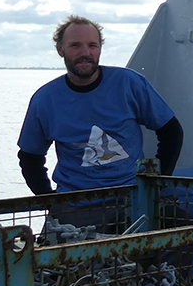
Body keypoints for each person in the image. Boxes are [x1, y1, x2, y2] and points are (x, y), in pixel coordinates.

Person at [18, 15, 183, 229]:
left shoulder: (129, 83)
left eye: (92, 45)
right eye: (75, 45)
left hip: (134, 198)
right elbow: (30, 157)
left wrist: (156, 184)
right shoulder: (45, 99)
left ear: (100, 49)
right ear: (60, 50)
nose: (85, 53)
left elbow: (171, 131)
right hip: (76, 207)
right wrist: (50, 201)